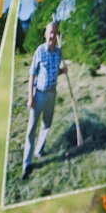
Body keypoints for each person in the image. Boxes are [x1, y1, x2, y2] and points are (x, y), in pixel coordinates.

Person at [22, 22, 64, 177]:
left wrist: (62, 71)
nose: (52, 36)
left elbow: (53, 73)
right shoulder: (40, 51)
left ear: (57, 34)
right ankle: (27, 165)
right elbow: (32, 74)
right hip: (38, 95)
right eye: (50, 32)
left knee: (47, 125)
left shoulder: (59, 52)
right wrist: (30, 97)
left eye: (55, 33)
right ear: (46, 34)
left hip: (52, 94)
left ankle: (39, 151)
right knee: (31, 130)